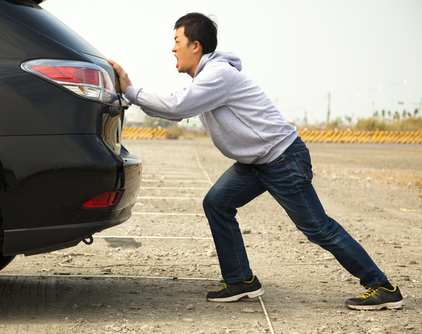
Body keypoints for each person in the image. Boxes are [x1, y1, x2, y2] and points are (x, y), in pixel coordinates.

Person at [108, 12, 403, 310]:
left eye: (177, 41)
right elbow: (178, 109)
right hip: (257, 163)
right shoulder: (208, 78)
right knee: (217, 203)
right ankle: (241, 281)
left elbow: (177, 105)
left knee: (318, 228)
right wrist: (128, 97)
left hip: (282, 158)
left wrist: (131, 89)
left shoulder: (217, 75)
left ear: (195, 46)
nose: (173, 48)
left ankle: (382, 287)